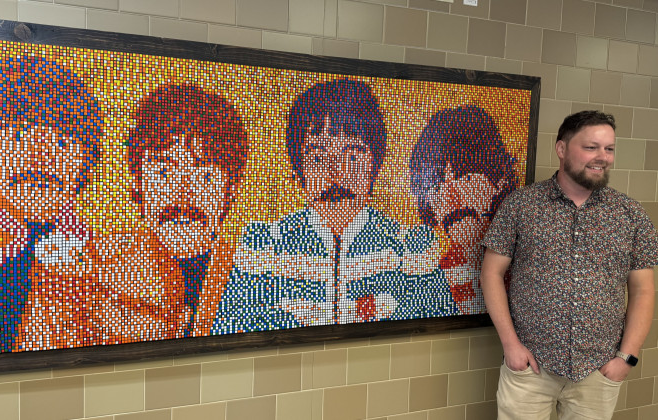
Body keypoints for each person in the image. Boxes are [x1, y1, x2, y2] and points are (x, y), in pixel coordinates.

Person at [211, 79, 458, 334]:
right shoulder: (263, 246)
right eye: (317, 156)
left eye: (353, 155)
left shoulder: (411, 248)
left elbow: (435, 328)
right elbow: (234, 327)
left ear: (375, 168)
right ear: (299, 174)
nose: (336, 172)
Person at [480, 110, 658, 419]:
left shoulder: (630, 214)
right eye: (591, 147)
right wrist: (511, 345)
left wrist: (625, 359)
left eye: (609, 148)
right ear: (561, 149)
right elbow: (491, 273)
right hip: (530, 367)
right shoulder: (522, 205)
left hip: (598, 371)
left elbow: (643, 290)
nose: (602, 157)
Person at [0, 55, 104, 356]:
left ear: (85, 163)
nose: (41, 156)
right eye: (16, 134)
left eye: (63, 141)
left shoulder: (97, 255)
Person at [95, 83, 249, 341]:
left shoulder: (254, 272)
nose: (183, 193)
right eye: (165, 172)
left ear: (230, 190)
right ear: (138, 182)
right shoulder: (93, 269)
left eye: (204, 175)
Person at [410, 105, 516, 314]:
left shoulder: (521, 269)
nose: (449, 196)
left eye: (463, 176)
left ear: (501, 179)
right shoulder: (429, 278)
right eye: (436, 184)